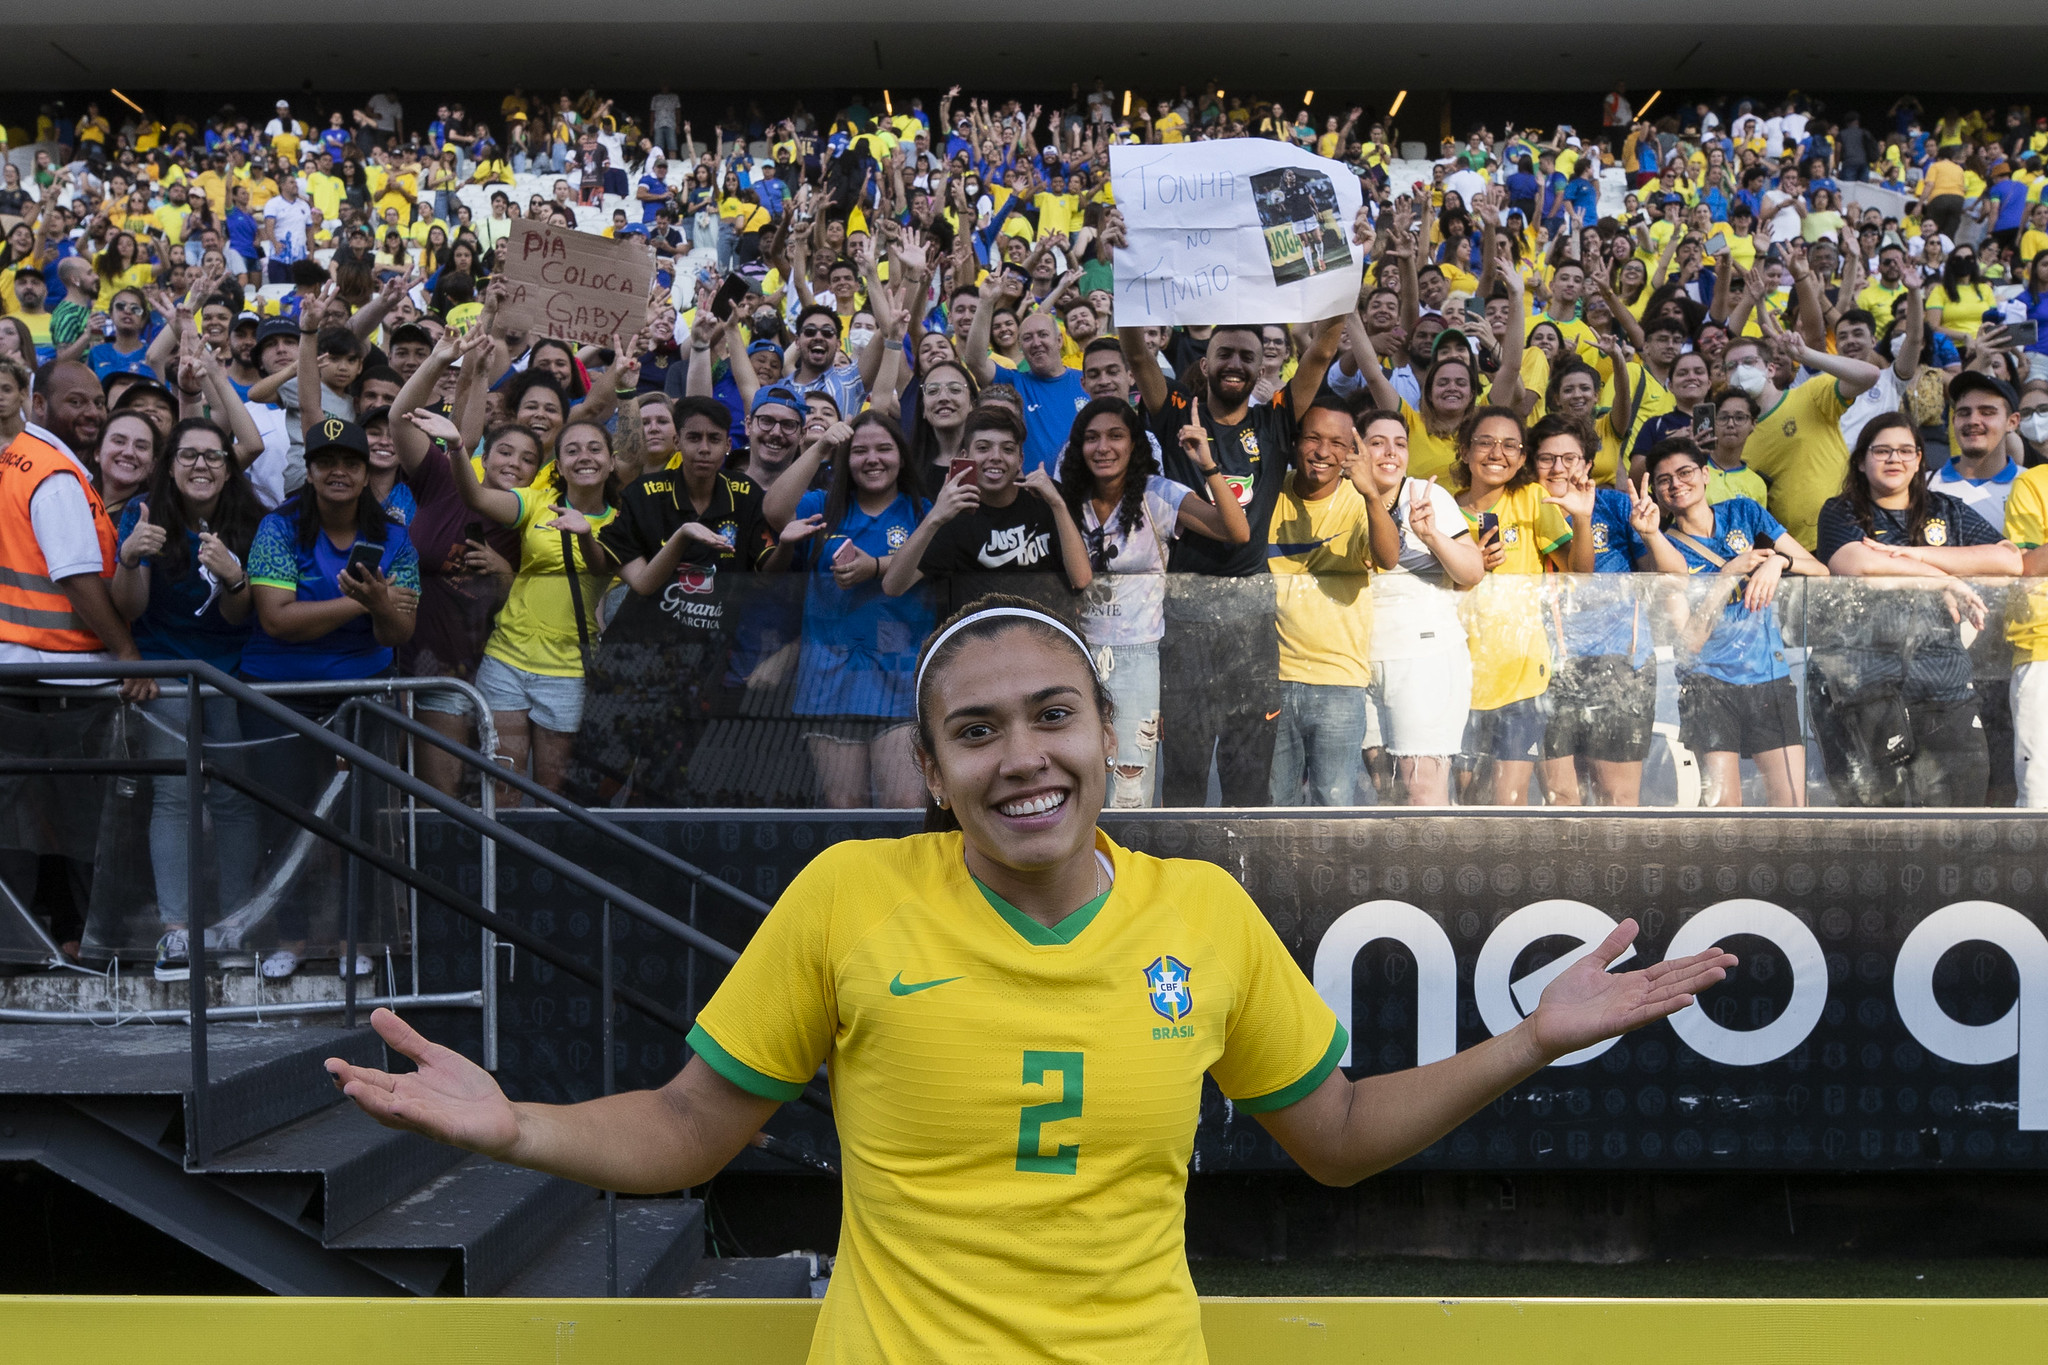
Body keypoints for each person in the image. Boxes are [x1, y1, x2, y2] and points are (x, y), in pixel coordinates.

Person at [328, 594, 1736, 1364]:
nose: (1024, 758)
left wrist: (1526, 1041)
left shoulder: (1206, 915)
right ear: (932, 772)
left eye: (1053, 716)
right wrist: (517, 1128)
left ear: (1106, 737)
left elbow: (1344, 1139)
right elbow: (690, 1128)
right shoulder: (850, 896)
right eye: (979, 732)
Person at [1120, 306, 1346, 808]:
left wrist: (1341, 283)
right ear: (1205, 363)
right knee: (1185, 759)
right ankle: (1182, 872)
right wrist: (1125, 280)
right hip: (1183, 610)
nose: (1236, 364)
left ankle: (1241, 875)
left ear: (1263, 366)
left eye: (1248, 355)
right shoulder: (1178, 410)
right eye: (1225, 353)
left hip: (1251, 614)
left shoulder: (1275, 420)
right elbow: (1136, 352)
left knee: (1248, 763)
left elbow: (1324, 349)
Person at [109, 418, 264, 979]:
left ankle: (236, 923)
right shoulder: (144, 515)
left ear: (229, 466)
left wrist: (234, 579)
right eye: (189, 456)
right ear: (169, 465)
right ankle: (176, 932)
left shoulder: (253, 521)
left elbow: (237, 617)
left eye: (214, 456)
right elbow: (128, 609)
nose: (201, 466)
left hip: (229, 675)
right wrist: (129, 558)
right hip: (166, 673)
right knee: (175, 798)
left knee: (232, 800)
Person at [1809, 413, 2022, 808]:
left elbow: (2009, 559)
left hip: (1944, 684)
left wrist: (1913, 554)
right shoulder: (1842, 511)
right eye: (1882, 451)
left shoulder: (1947, 509)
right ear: (1861, 461)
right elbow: (1855, 562)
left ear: (1920, 459)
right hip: (1866, 686)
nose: (1895, 459)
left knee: (1961, 816)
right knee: (1879, 824)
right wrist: (1944, 580)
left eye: (1906, 450)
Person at [1056, 396, 1248, 808]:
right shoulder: (1064, 499)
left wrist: (1208, 467)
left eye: (1115, 436)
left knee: (1129, 785)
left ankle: (1124, 870)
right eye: (1091, 438)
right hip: (1074, 654)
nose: (1103, 447)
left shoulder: (1158, 494)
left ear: (1135, 444)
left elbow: (1236, 530)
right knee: (1077, 775)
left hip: (1138, 656)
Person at [763, 413, 936, 809]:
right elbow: (774, 511)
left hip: (899, 678)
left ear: (902, 457)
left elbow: (935, 558)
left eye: (883, 449)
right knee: (844, 807)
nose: (872, 459)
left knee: (905, 806)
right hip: (830, 679)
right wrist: (821, 447)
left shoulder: (921, 510)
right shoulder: (822, 506)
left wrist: (875, 565)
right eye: (859, 451)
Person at [1645, 436, 1827, 808]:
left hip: (1768, 677)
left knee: (1792, 803)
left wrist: (1779, 562)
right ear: (1656, 492)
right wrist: (1726, 577)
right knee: (1723, 808)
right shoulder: (1666, 550)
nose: (1676, 484)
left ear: (1706, 474)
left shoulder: (1745, 512)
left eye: (1684, 473)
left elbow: (1820, 571)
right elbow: (1687, 647)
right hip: (1707, 685)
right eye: (1664, 480)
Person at [449, 416, 618, 805]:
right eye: (571, 450)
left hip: (568, 671)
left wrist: (586, 532)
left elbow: (603, 570)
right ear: (558, 467)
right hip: (507, 659)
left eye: (595, 448)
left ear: (611, 462)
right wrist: (459, 447)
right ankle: (500, 864)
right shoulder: (539, 502)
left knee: (550, 794)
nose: (584, 457)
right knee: (503, 785)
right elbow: (475, 497)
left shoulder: (620, 524)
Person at [1529, 415, 1687, 807]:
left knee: (1616, 797)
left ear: (1586, 464)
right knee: (1562, 798)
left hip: (1621, 665)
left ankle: (1614, 872)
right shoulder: (1523, 508)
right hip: (1545, 668)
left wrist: (1650, 534)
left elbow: (1672, 576)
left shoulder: (1616, 505)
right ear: (1532, 464)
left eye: (1570, 457)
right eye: (1547, 458)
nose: (1558, 467)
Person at [1261, 398, 1400, 806]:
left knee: (1333, 805)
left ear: (1352, 452)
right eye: (1314, 438)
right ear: (1295, 441)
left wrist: (1373, 495)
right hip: (1273, 678)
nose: (1324, 452)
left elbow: (1388, 558)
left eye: (1338, 444)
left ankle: (1325, 875)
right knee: (1274, 803)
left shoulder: (1361, 502)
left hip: (1339, 680)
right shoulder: (1271, 488)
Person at [1450, 406, 1587, 806]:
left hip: (1521, 676)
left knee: (1508, 801)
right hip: (1457, 676)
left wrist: (1581, 520)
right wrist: (1466, 570)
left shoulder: (1532, 499)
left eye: (1510, 445)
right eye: (1486, 442)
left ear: (1523, 457)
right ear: (1464, 450)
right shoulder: (1440, 506)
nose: (1497, 452)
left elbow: (1578, 572)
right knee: (1469, 800)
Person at [1349, 406, 1485, 806]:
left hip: (1425, 656)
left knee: (1421, 789)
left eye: (1400, 444)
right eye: (1377, 443)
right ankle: (1394, 871)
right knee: (1385, 788)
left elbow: (1472, 570)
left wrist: (1432, 535)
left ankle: (1436, 870)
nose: (1391, 452)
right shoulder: (1341, 497)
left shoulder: (1425, 496)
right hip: (1360, 660)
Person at [882, 405, 1091, 610]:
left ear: (1020, 460)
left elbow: (1081, 579)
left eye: (1007, 449)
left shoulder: (1045, 498)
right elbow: (893, 586)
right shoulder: (954, 515)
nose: (996, 457)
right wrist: (935, 517)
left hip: (1041, 632)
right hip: (980, 637)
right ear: (965, 457)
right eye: (983, 448)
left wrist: (1057, 504)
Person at [1717, 325, 1881, 549]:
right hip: (1793, 549)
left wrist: (1807, 356)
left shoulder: (1810, 394)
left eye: (1748, 362)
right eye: (1731, 366)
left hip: (1849, 531)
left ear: (1771, 369)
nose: (1740, 371)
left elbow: (1869, 375)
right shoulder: (1735, 436)